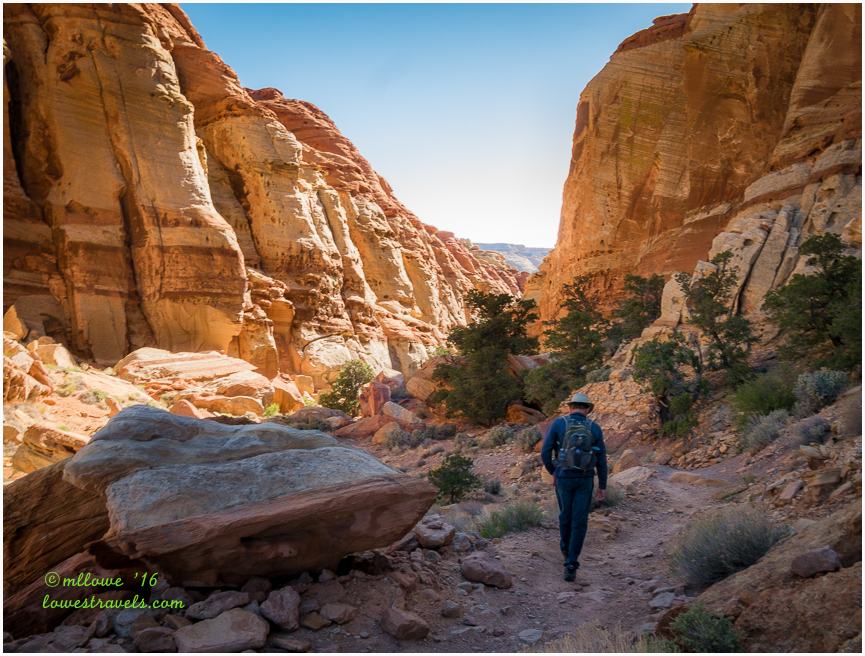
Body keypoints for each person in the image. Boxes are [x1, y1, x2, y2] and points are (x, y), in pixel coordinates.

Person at [540, 392, 607, 582]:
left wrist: (554, 470)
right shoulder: (594, 427)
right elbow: (601, 460)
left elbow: (545, 451)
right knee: (580, 520)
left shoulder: (559, 424)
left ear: (570, 407)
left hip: (564, 478)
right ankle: (571, 562)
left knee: (565, 515)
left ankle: (564, 547)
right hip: (585, 479)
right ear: (587, 409)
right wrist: (602, 485)